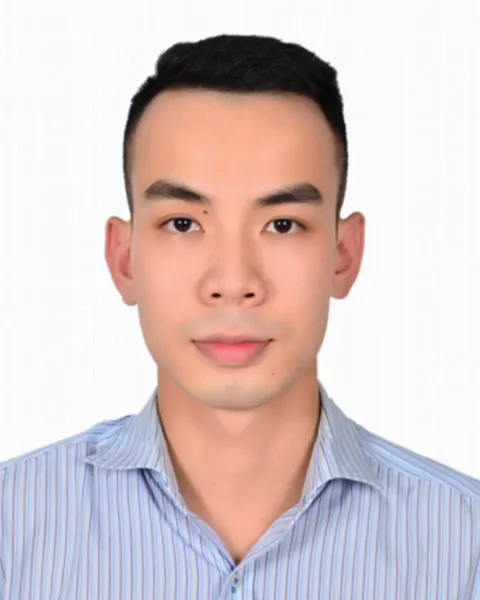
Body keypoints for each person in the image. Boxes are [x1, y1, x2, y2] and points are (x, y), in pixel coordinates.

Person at [0, 33, 479, 600]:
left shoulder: (464, 547)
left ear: (344, 256)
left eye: (283, 225)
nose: (233, 283)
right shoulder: (12, 532)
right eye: (183, 224)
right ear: (125, 260)